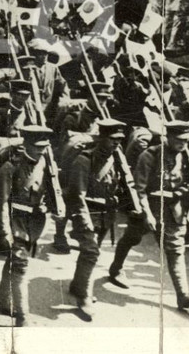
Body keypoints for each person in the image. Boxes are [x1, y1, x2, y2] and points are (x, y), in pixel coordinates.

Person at [107, 120, 189, 310]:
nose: (183, 144)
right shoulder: (150, 155)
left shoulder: (185, 154)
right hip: (149, 208)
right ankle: (116, 269)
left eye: (186, 140)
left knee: (176, 250)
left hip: (173, 209)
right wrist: (147, 214)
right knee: (131, 238)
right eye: (179, 140)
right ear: (168, 137)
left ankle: (183, 295)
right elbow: (139, 189)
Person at [64, 118, 132, 318]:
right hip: (84, 212)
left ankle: (77, 286)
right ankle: (84, 297)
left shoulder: (116, 159)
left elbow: (124, 184)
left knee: (90, 252)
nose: (116, 143)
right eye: (112, 139)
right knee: (91, 252)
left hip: (105, 215)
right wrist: (84, 223)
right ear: (101, 138)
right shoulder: (84, 160)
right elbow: (77, 195)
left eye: (119, 140)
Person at [0, 124, 56, 326]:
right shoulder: (10, 168)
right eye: (37, 146)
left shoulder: (44, 162)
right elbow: (1, 203)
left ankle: (1, 302)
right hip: (15, 223)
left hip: (34, 223)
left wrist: (48, 206)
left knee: (15, 261)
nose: (41, 150)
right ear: (26, 144)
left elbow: (48, 189)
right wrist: (4, 231)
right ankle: (23, 316)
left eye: (44, 146)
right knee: (21, 265)